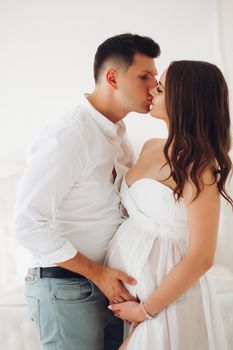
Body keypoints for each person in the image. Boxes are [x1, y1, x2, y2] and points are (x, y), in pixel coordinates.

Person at [13, 33, 160, 350]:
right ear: (112, 78)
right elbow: (27, 224)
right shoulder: (68, 136)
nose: (155, 87)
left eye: (156, 77)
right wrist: (99, 274)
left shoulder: (118, 137)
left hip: (109, 287)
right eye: (144, 77)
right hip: (66, 286)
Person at [106, 60, 233, 350]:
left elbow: (202, 256)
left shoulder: (199, 167)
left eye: (161, 88)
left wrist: (146, 310)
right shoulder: (151, 146)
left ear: (183, 101)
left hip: (167, 303)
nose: (152, 90)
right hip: (131, 301)